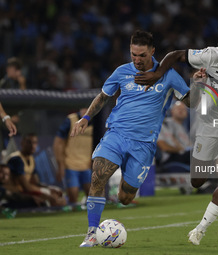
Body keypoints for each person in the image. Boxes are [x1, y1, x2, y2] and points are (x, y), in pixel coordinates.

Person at [135, 17, 218, 245]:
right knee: (197, 180)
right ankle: (216, 156)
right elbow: (176, 55)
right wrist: (158, 74)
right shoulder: (210, 55)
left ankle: (200, 229)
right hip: (208, 125)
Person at [70, 30, 190, 248]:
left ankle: (121, 192)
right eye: (134, 54)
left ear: (152, 52)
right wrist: (86, 117)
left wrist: (198, 84)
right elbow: (103, 97)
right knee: (98, 173)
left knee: (125, 198)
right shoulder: (122, 72)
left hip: (144, 145)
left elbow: (191, 102)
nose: (137, 60)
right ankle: (91, 232)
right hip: (117, 134)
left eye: (142, 55)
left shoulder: (169, 75)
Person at [4, 133, 66, 207]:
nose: (32, 146)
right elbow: (26, 186)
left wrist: (50, 188)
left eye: (35, 143)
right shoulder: (16, 159)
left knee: (58, 196)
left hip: (24, 192)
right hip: (13, 194)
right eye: (29, 142)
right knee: (52, 200)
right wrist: (46, 193)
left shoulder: (31, 159)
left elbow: (35, 183)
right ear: (22, 143)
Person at [53, 108, 92, 207]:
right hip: (71, 164)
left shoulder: (97, 121)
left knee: (94, 196)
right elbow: (58, 143)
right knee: (73, 198)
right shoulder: (70, 120)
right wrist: (60, 165)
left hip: (87, 164)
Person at [157, 101, 191, 171]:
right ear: (171, 111)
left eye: (183, 109)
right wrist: (181, 150)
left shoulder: (182, 128)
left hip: (183, 155)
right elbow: (164, 147)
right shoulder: (164, 125)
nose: (181, 111)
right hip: (170, 157)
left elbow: (189, 145)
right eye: (178, 109)